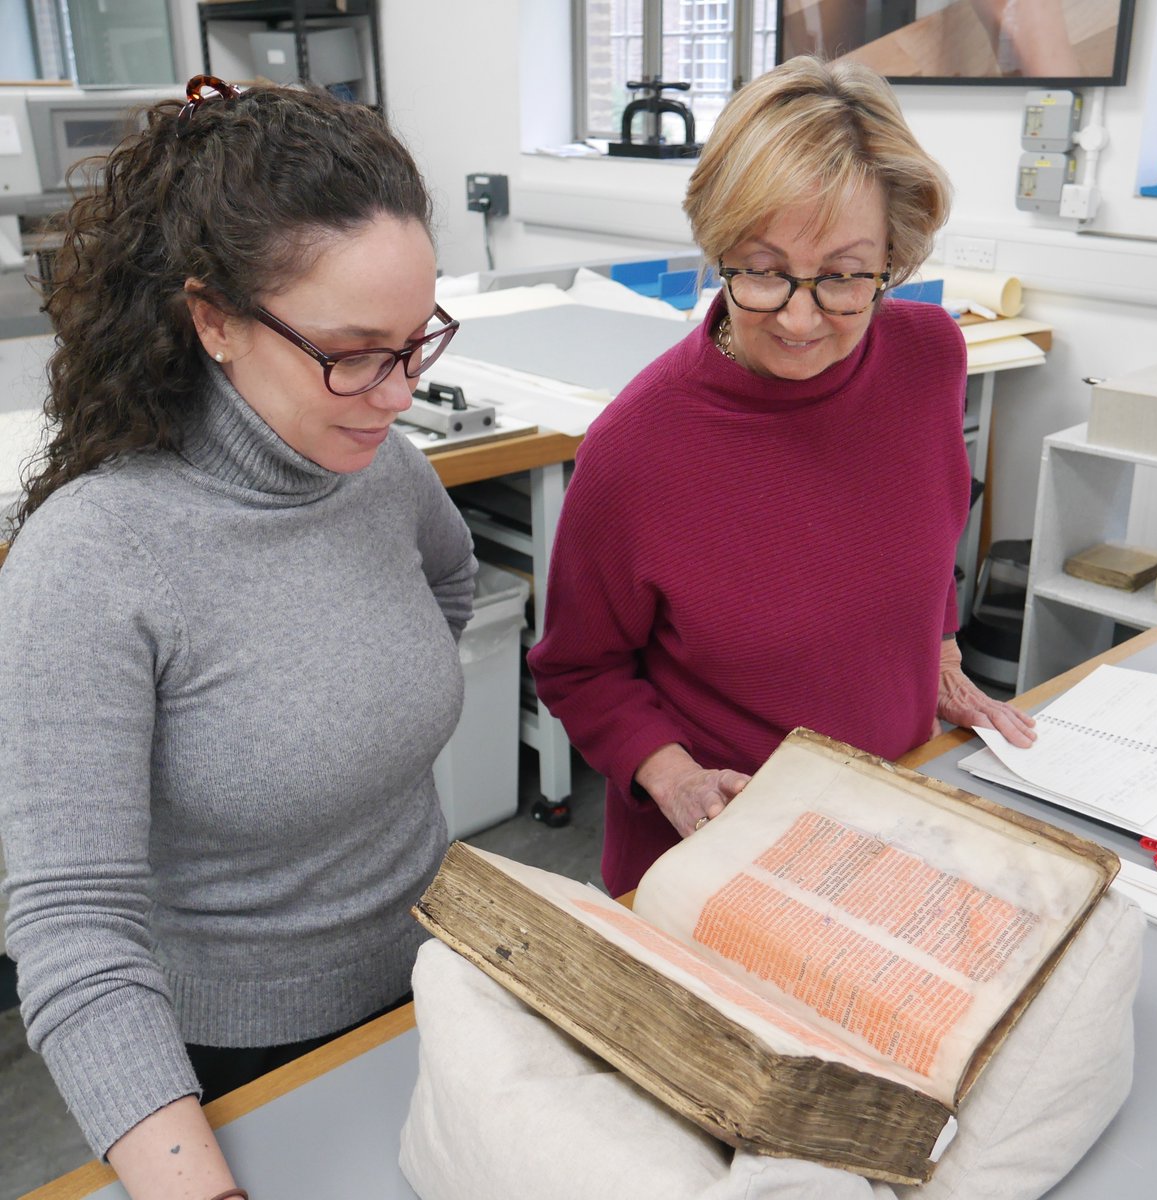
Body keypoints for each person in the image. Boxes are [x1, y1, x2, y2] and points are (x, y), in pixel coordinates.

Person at [0, 77, 475, 1200]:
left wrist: (344, 711)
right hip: (229, 1069)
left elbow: (447, 591)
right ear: (212, 318)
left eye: (418, 344)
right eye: (355, 351)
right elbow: (73, 930)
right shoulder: (91, 560)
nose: (399, 393)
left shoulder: (381, 467)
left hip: (438, 984)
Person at [528, 56, 1036, 899]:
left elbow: (924, 532)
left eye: (843, 276)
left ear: (893, 257)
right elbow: (579, 670)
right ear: (718, 245)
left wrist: (939, 649)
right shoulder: (638, 444)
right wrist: (677, 779)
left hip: (889, 818)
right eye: (761, 270)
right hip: (722, 859)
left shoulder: (930, 357)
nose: (800, 320)